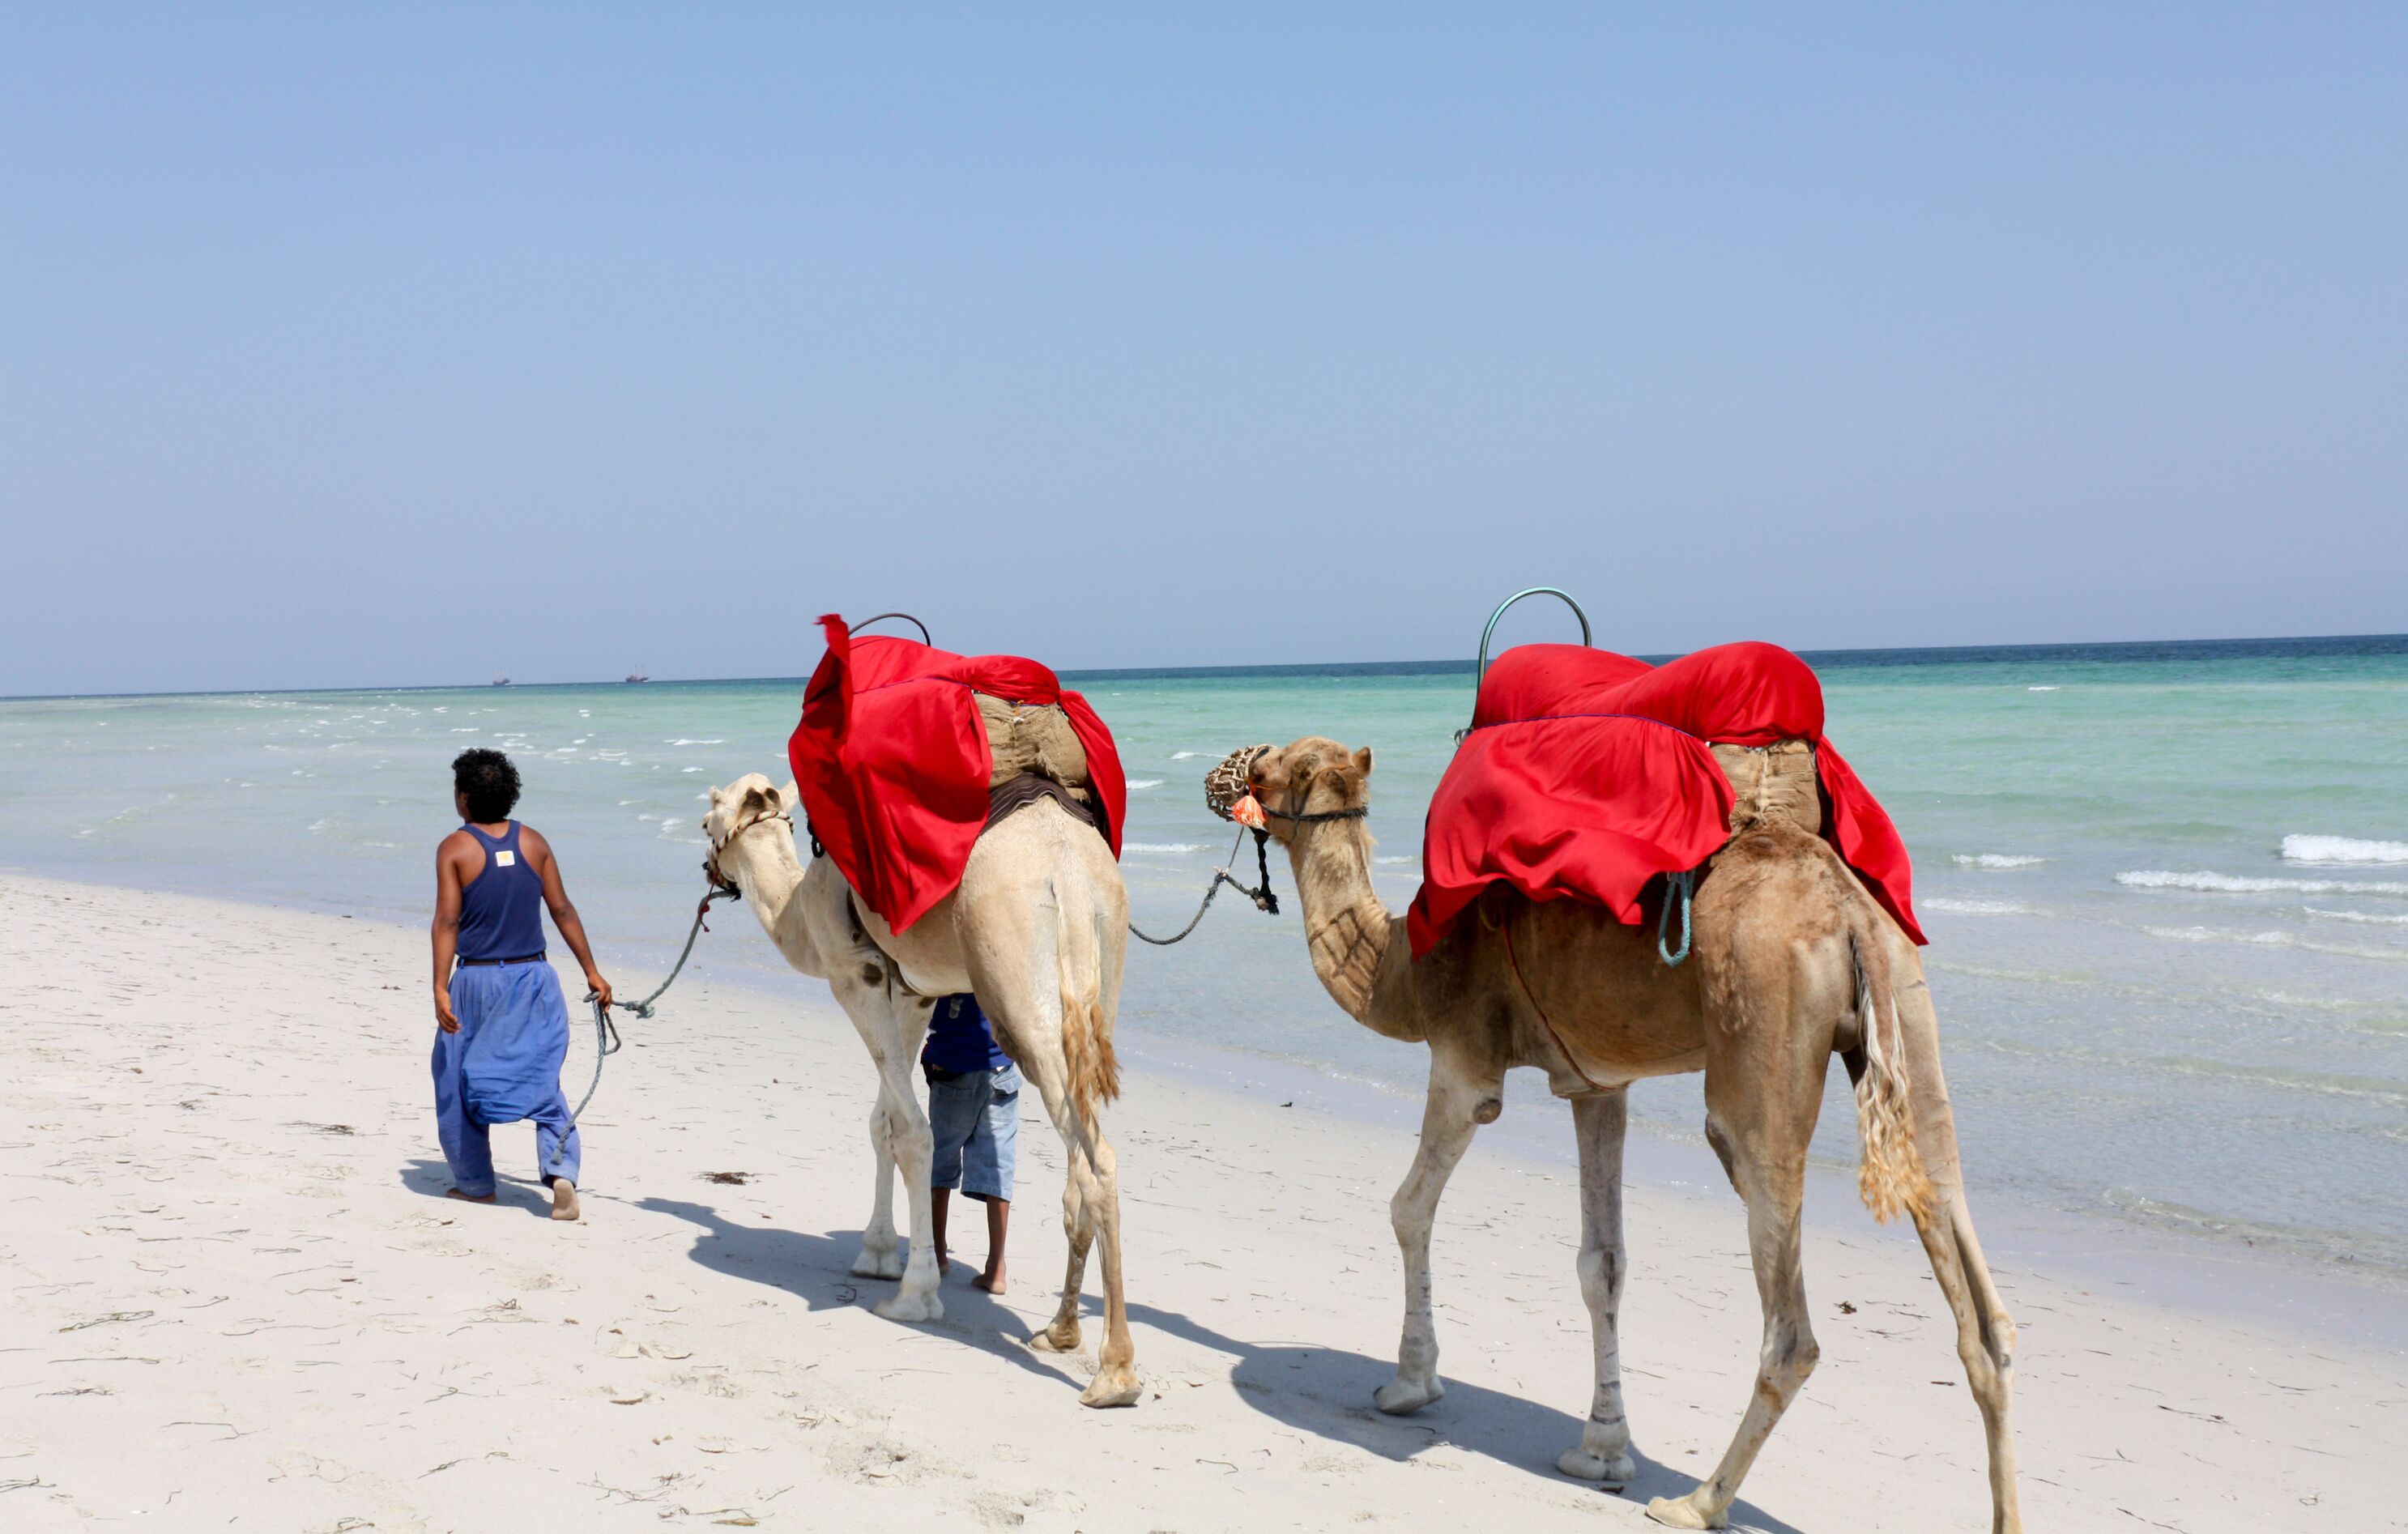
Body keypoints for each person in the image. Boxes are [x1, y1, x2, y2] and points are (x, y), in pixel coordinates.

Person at [429, 748, 612, 1221]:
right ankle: (562, 1176)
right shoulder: (533, 842)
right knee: (541, 1078)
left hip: (478, 980)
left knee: (455, 1078)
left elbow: (448, 920)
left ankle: (475, 1184)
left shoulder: (455, 847)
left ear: (465, 797)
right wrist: (591, 971)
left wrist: (439, 986)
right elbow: (563, 910)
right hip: (535, 977)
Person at [923, 992, 1018, 1293]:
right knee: (998, 1168)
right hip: (1002, 1072)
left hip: (955, 1069)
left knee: (940, 1163)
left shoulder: (950, 960)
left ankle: (937, 1254)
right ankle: (997, 1267)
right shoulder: (1002, 960)